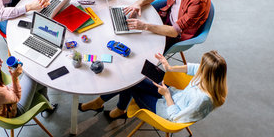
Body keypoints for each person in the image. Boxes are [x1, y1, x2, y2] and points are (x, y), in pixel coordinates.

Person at [78, 50, 227, 122]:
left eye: (202, 66)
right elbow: (193, 68)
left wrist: (167, 95)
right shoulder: (210, 78)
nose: (199, 67)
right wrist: (169, 68)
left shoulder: (203, 100)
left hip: (165, 110)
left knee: (130, 84)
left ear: (207, 73)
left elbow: (175, 117)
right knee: (134, 76)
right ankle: (114, 108)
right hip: (172, 95)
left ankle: (110, 107)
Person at [0, 47, 57, 118]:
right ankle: (48, 106)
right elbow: (16, 98)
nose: (2, 61)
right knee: (34, 77)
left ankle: (48, 106)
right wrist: (14, 78)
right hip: (13, 111)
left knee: (39, 82)